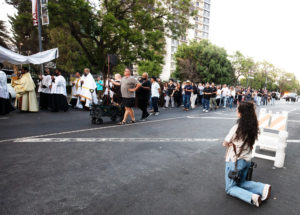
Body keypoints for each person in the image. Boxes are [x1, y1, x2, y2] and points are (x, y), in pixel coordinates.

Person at [223, 102, 271, 207]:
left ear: (241, 113)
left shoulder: (237, 127)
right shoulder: (253, 127)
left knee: (230, 188)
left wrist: (231, 143)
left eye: (237, 110)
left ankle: (252, 197)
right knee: (241, 182)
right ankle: (262, 188)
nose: (236, 111)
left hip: (235, 162)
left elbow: (225, 142)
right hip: (247, 161)